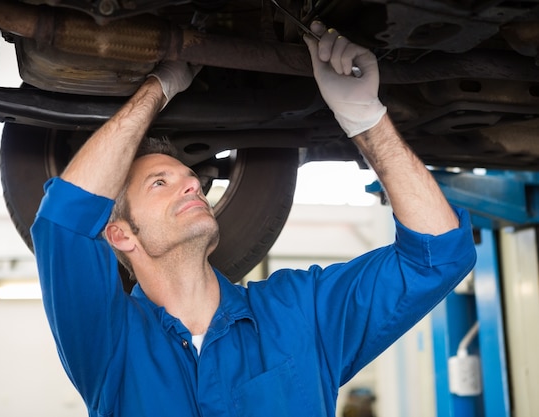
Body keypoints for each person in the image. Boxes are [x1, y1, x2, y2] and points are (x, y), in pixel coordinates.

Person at [31, 22, 477, 417]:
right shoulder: (110, 345)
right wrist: (158, 88)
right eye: (160, 183)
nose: (194, 185)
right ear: (121, 234)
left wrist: (365, 117)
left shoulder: (301, 313)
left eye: (191, 178)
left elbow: (437, 256)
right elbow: (64, 220)